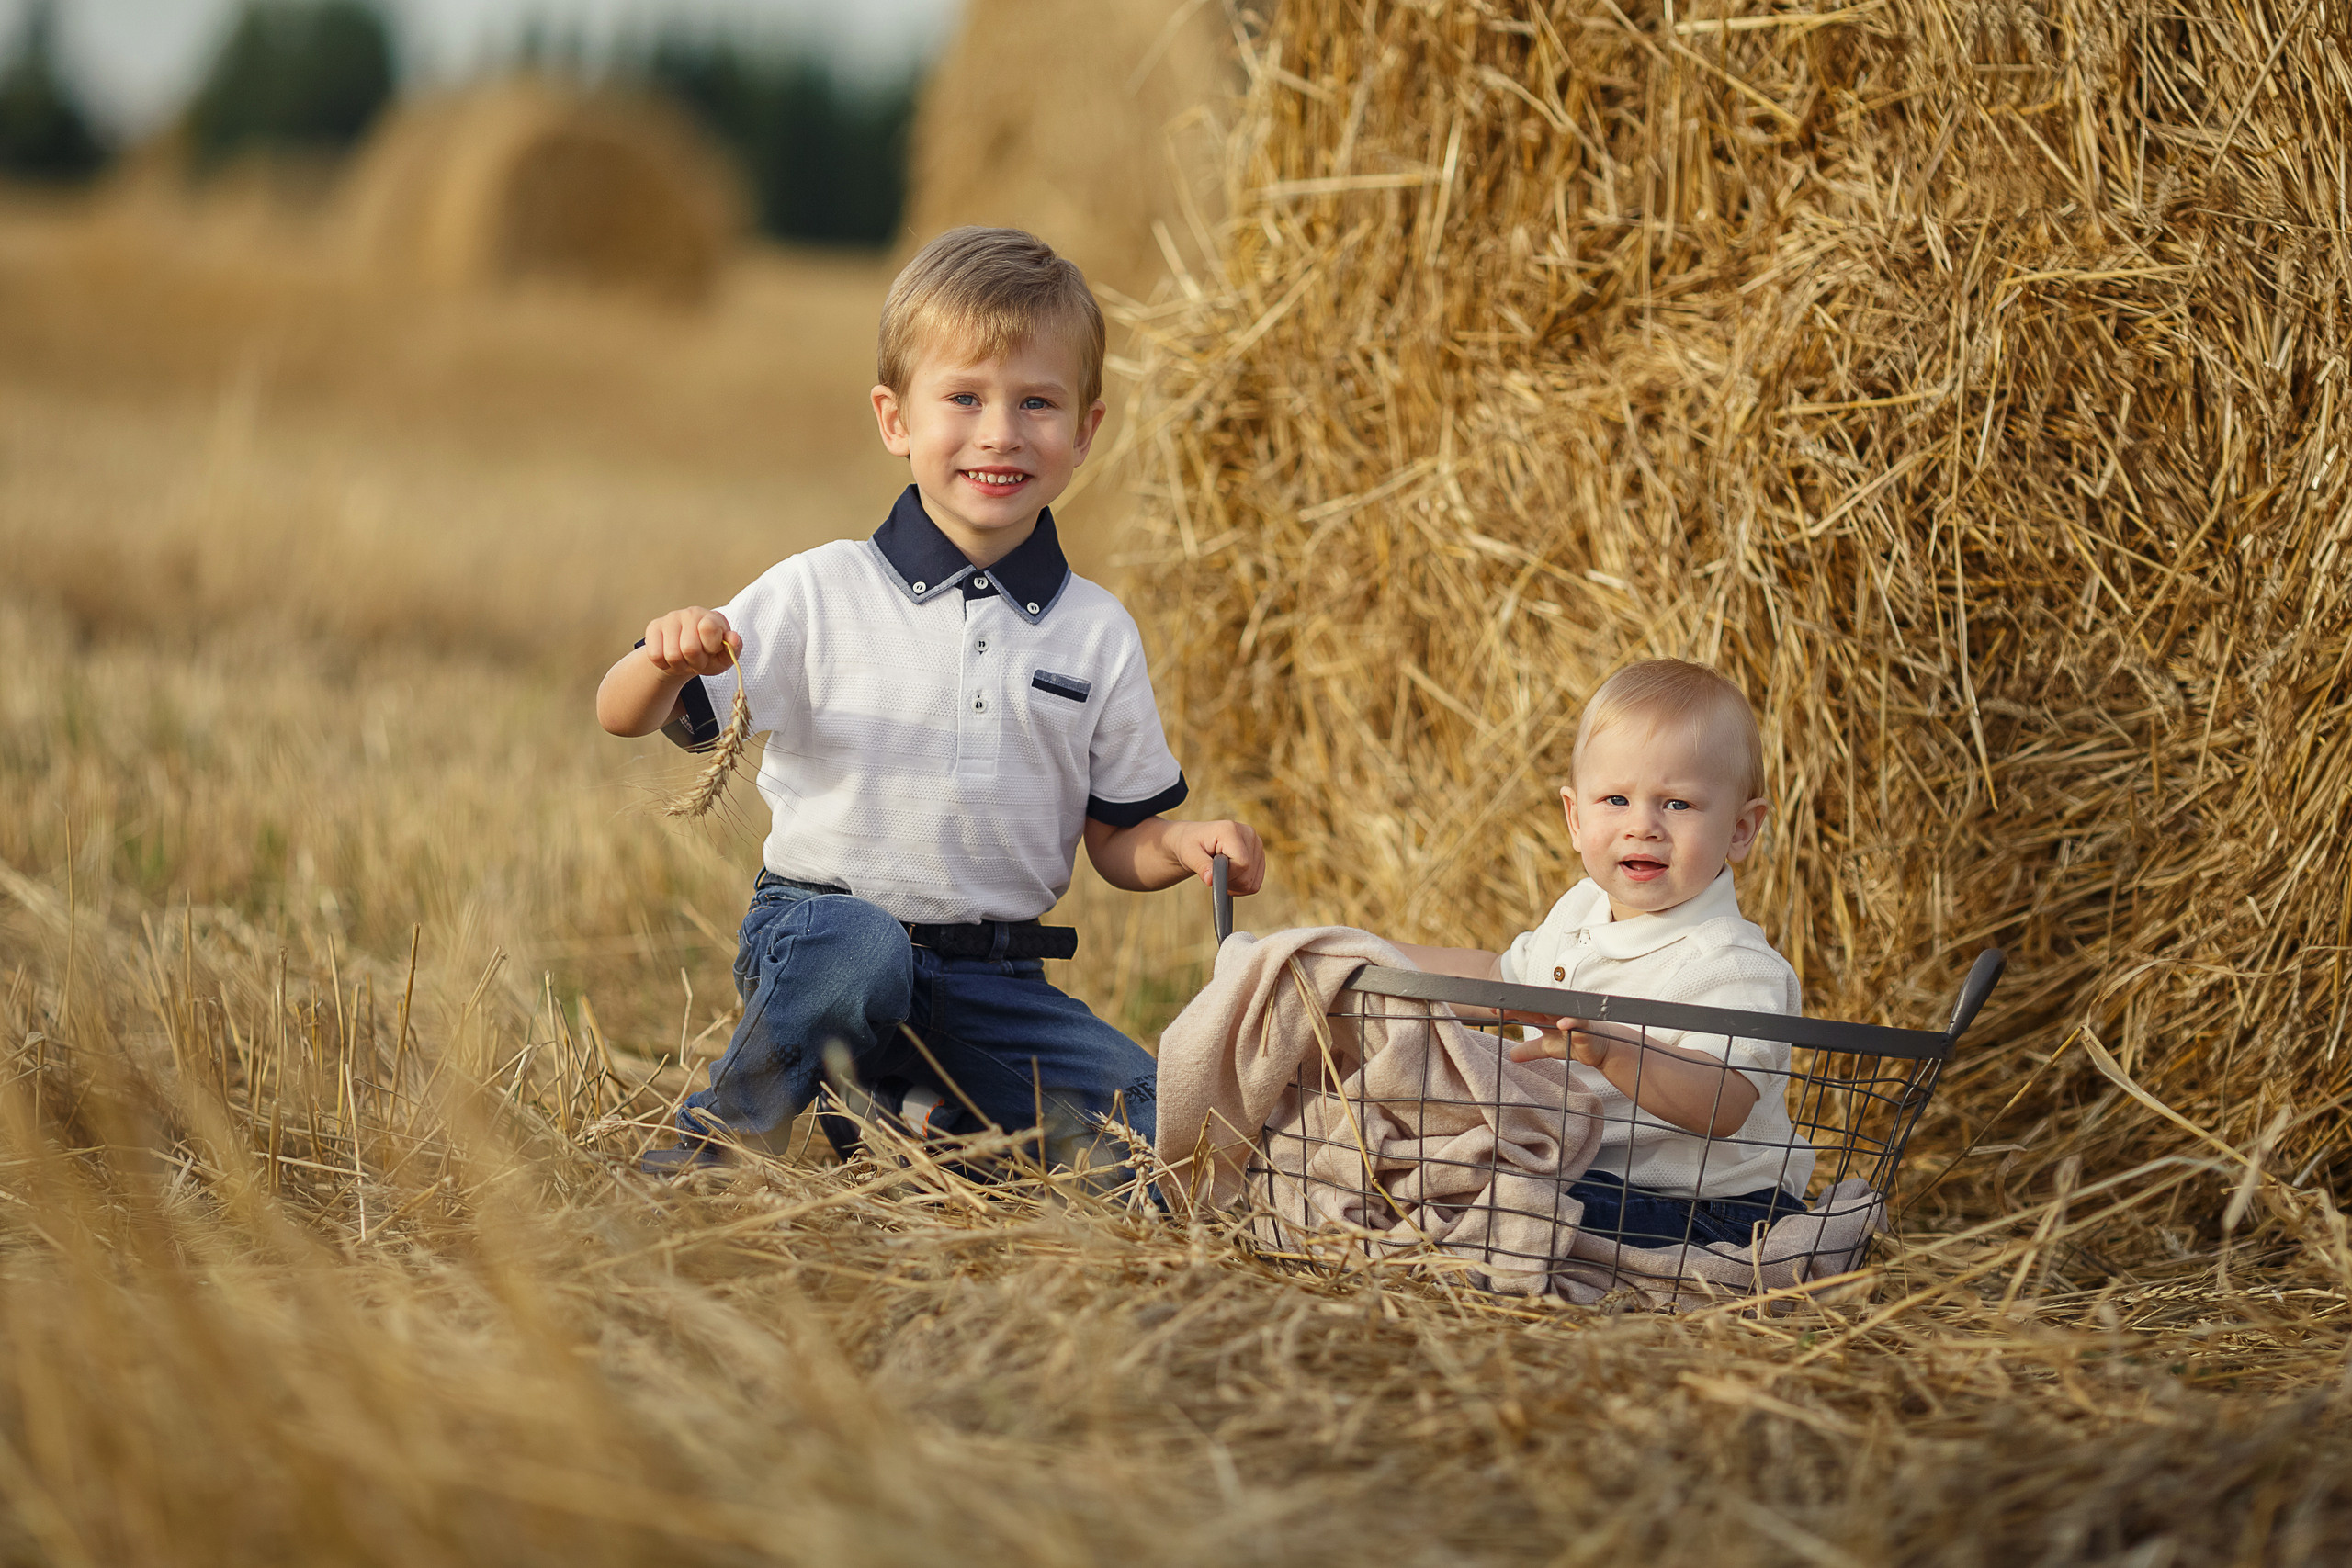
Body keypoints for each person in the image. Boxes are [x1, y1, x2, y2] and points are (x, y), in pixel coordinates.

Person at [598, 226, 1265, 1175]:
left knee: (1162, 1133)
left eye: (1037, 402)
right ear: (895, 418)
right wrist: (662, 659)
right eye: (964, 398)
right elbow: (621, 712)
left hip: (997, 986)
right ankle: (719, 1150)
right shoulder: (822, 590)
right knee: (862, 954)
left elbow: (1118, 841)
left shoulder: (1096, 632)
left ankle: (908, 1117)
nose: (1001, 433)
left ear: (1085, 431)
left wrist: (1187, 845)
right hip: (825, 942)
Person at [1385, 659, 1814, 1248]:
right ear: (1574, 817)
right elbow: (1492, 977)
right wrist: (1365, 955)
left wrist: (1614, 1050)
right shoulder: (1579, 911)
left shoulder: (1733, 963)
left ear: (1741, 829)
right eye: (1615, 799)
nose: (1643, 826)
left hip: (1715, 1209)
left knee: (1510, 1199)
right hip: (1592, 1178)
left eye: (1678, 804)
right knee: (1452, 1165)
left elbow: (1723, 1104)